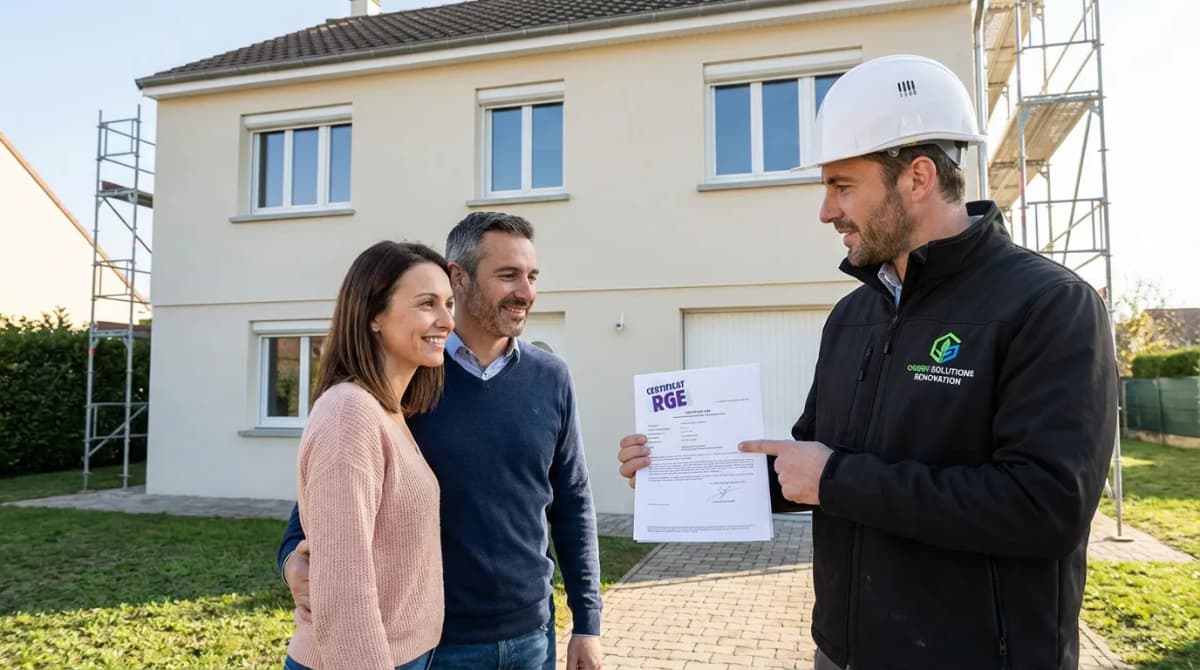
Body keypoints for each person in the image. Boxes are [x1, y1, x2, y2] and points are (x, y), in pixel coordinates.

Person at [618, 54, 1117, 670]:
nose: (826, 211)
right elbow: (807, 467)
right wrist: (680, 472)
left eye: (841, 185)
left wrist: (837, 480)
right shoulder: (853, 318)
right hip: (843, 652)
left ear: (917, 177)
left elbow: (1045, 509)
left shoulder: (1049, 305)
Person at [280, 212, 603, 670]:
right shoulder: (404, 376)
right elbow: (323, 504)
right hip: (436, 646)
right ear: (461, 276)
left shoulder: (551, 377)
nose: (526, 293)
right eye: (508, 275)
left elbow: (571, 501)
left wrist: (587, 622)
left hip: (532, 634)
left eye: (531, 276)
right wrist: (292, 556)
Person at [285, 241, 454, 670]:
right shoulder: (350, 413)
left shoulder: (390, 411)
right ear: (374, 315)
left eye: (448, 303)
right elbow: (343, 588)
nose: (447, 321)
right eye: (427, 304)